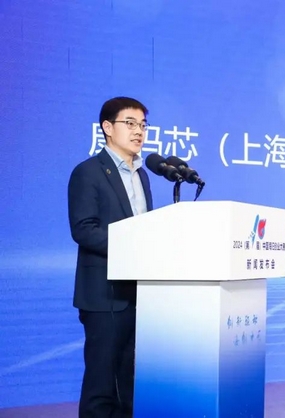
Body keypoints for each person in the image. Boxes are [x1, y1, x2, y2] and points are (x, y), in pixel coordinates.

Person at [67, 97, 154, 418]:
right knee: (102, 385)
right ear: (107, 127)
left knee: (130, 382)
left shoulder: (143, 175)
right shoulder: (88, 172)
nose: (138, 131)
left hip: (139, 294)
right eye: (129, 123)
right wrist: (134, 247)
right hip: (104, 295)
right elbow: (84, 229)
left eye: (143, 125)